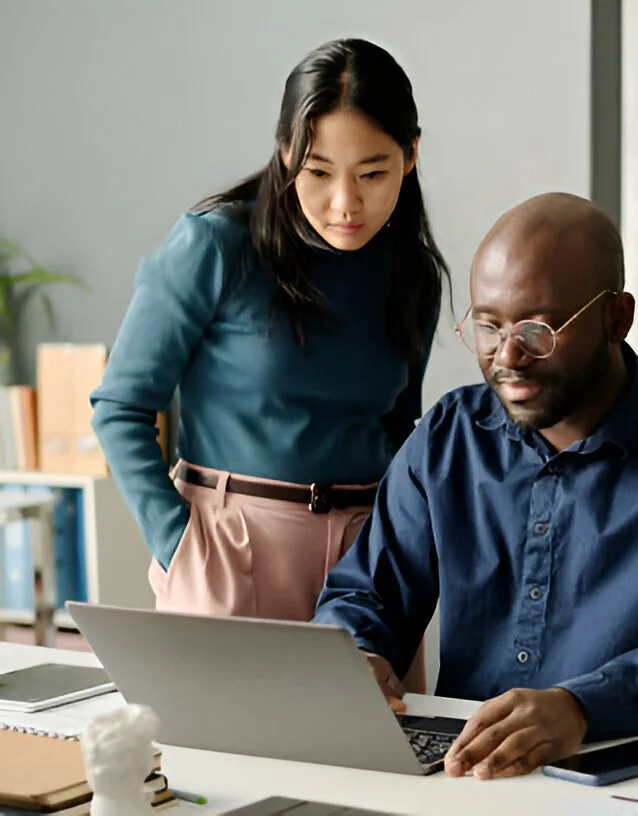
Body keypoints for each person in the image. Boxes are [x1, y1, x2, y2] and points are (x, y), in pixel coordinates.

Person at [313, 191, 638, 780]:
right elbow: (367, 592)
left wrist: (581, 708)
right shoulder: (448, 437)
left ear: (617, 317)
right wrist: (357, 654)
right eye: (488, 326)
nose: (508, 356)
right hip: (474, 784)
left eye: (539, 330)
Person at [90, 38, 444, 692]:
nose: (346, 203)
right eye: (318, 171)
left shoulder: (410, 274)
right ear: (285, 152)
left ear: (410, 157)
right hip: (230, 549)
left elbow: (400, 430)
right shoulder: (216, 244)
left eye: (372, 173)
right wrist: (181, 547)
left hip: (368, 566)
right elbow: (121, 406)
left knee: (381, 769)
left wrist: (397, 552)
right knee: (225, 771)